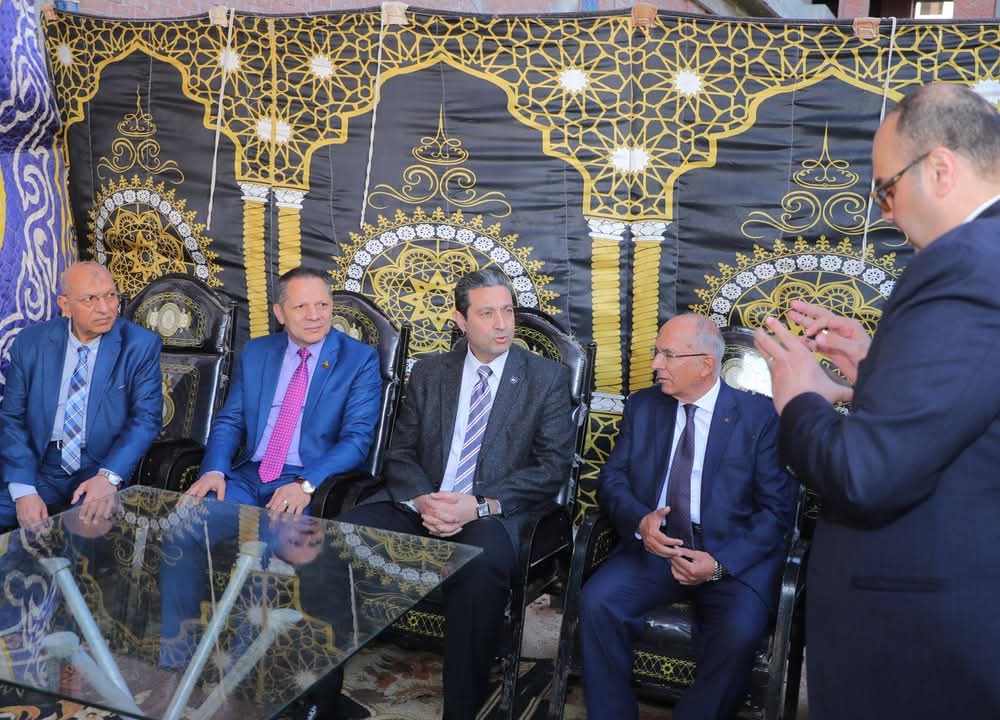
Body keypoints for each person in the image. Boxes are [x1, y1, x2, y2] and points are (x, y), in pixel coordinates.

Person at [754, 82, 1000, 719]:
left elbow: (864, 474)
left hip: (936, 642)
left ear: (940, 169)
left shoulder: (968, 261)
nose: (884, 213)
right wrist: (880, 368)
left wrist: (800, 398)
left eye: (886, 189)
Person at [337, 267, 575, 720]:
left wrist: (478, 504)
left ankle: (462, 710)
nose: (502, 324)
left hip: (494, 514)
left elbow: (551, 468)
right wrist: (424, 499)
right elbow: (400, 452)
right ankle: (320, 699)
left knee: (477, 563)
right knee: (340, 537)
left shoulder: (546, 378)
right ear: (461, 320)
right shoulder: (431, 372)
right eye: (487, 314)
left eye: (507, 311)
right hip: (424, 504)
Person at [579, 313, 795, 719]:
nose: (655, 364)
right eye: (656, 352)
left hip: (727, 556)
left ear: (705, 365)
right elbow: (613, 479)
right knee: (597, 602)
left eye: (667, 355)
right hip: (658, 547)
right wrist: (641, 522)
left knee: (739, 632)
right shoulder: (644, 406)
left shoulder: (761, 418)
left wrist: (719, 564)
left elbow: (776, 512)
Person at [185, 266, 381, 515]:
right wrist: (214, 470)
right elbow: (231, 421)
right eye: (301, 307)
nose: (314, 316)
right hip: (247, 475)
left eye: (322, 305)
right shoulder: (257, 352)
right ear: (280, 313)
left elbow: (357, 440)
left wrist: (306, 483)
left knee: (281, 535)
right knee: (190, 519)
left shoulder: (358, 360)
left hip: (306, 478)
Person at [0, 261, 162, 530]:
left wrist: (108, 477)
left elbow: (146, 419)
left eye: (111, 295)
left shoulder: (139, 345)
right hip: (39, 465)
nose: (105, 308)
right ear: (65, 305)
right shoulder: (31, 342)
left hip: (100, 463)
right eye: (90, 299)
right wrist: (24, 490)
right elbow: (12, 418)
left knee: (85, 529)